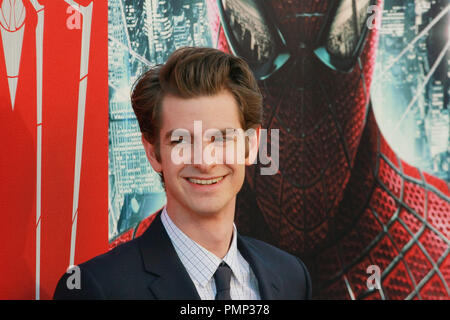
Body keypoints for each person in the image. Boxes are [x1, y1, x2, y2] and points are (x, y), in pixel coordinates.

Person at [53, 46, 312, 300]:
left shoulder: (290, 277)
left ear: (251, 144)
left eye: (221, 138)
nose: (204, 161)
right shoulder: (95, 289)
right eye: (182, 141)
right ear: (154, 153)